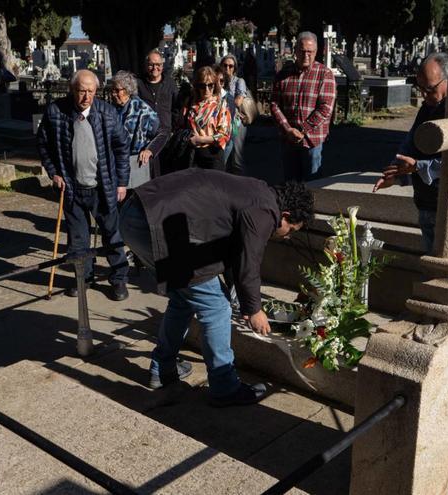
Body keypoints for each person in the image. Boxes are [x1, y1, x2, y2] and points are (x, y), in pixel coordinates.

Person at [119, 169, 314, 407]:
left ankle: (163, 370)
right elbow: (250, 261)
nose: (286, 236)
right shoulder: (265, 212)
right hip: (155, 224)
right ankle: (225, 387)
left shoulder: (257, 192)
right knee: (216, 308)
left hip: (136, 214)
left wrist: (242, 298)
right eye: (291, 230)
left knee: (183, 300)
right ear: (285, 215)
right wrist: (254, 310)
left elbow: (236, 255)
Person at [37, 69, 131, 301]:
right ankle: (83, 279)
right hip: (71, 188)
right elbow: (43, 145)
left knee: (112, 235)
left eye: (90, 91)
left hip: (103, 187)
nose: (86, 96)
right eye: (81, 91)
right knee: (78, 241)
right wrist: (53, 173)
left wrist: (122, 183)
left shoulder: (107, 113)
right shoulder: (55, 112)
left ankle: (119, 280)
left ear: (96, 91)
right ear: (72, 90)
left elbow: (122, 149)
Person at [373, 53, 448, 253]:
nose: (424, 95)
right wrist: (394, 174)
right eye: (420, 88)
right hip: (426, 199)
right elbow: (410, 144)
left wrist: (416, 166)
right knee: (431, 258)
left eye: (430, 89)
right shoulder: (428, 107)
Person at [271, 31, 336, 182]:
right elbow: (274, 104)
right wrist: (288, 129)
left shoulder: (324, 74)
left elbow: (325, 108)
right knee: (290, 184)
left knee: (312, 185)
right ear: (295, 51)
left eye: (310, 51)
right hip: (288, 139)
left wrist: (302, 130)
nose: (306, 55)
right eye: (302, 51)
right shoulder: (283, 74)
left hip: (312, 140)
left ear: (316, 52)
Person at [110, 71, 162, 190]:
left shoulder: (142, 110)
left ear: (128, 91)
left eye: (117, 90)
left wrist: (149, 150)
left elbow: (161, 133)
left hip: (136, 162)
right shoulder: (112, 108)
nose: (113, 93)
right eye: (112, 90)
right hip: (117, 161)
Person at [176, 66, 231, 171]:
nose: (206, 89)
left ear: (215, 86)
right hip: (191, 156)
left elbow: (224, 135)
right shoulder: (189, 103)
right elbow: (180, 125)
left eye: (210, 85)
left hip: (213, 156)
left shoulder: (220, 105)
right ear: (197, 86)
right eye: (202, 86)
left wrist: (200, 139)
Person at [136, 50, 177, 177]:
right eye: (151, 64)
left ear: (162, 66)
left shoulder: (169, 83)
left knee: (166, 174)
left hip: (166, 136)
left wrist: (172, 127)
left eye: (158, 64)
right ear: (146, 65)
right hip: (146, 138)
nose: (155, 68)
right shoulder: (139, 84)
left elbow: (176, 106)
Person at [221, 54, 249, 174]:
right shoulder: (219, 80)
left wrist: (222, 100)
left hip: (235, 122)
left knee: (237, 156)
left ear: (235, 68)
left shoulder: (239, 81)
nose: (227, 69)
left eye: (231, 66)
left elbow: (238, 101)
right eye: (225, 65)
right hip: (221, 121)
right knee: (223, 154)